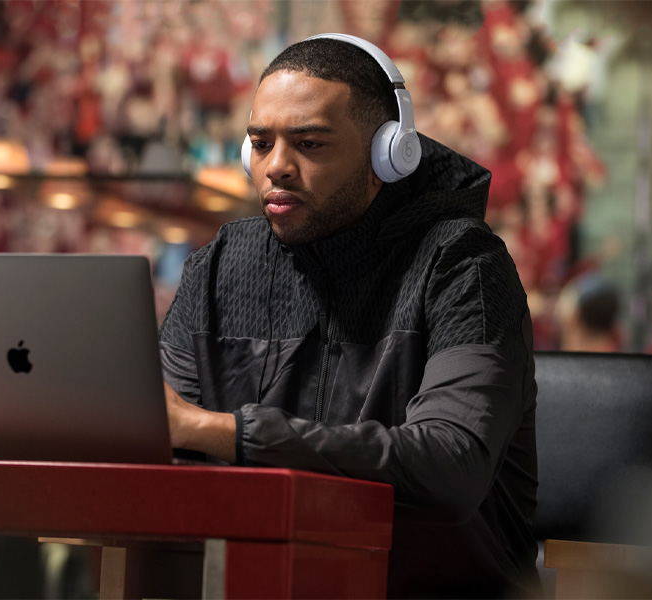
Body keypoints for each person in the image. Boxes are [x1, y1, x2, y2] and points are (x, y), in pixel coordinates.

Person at [158, 34, 538, 598]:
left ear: (389, 154)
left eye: (309, 144)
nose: (276, 167)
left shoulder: (463, 266)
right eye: (260, 144)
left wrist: (229, 432)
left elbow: (449, 465)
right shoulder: (219, 266)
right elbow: (167, 440)